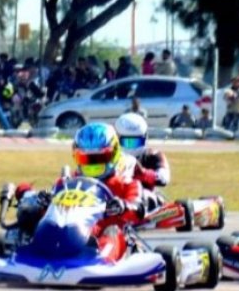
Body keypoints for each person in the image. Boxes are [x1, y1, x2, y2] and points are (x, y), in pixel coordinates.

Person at [71, 123, 145, 261]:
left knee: (112, 230)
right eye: (86, 159)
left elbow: (139, 208)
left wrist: (123, 205)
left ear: (114, 154)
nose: (92, 164)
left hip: (110, 236)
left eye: (99, 158)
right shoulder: (71, 182)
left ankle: (101, 261)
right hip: (74, 232)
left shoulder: (125, 184)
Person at [115, 112, 171, 212]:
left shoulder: (153, 155)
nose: (131, 146)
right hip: (114, 197)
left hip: (143, 198)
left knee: (150, 197)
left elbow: (164, 178)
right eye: (127, 142)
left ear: (145, 138)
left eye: (136, 142)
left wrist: (143, 174)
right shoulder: (110, 158)